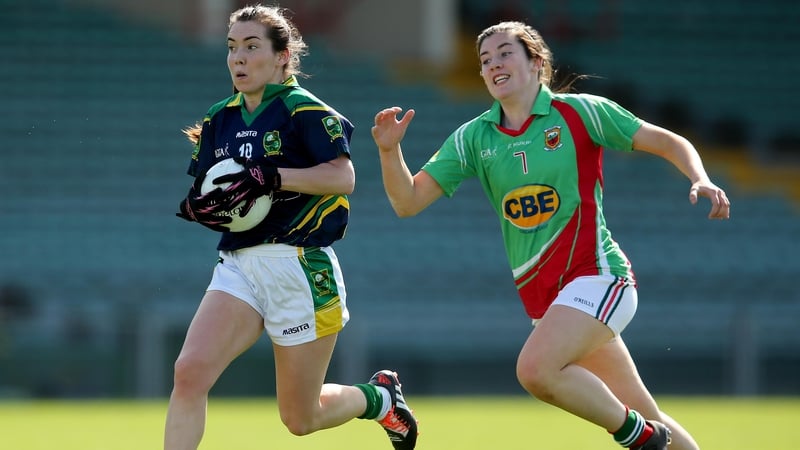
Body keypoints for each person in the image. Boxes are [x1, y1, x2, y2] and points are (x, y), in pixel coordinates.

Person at [372, 21, 730, 450]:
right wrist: (389, 152)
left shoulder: (581, 112)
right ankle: (647, 431)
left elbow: (669, 141)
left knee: (535, 370)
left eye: (505, 53)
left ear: (536, 62)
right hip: (549, 302)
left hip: (599, 278)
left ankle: (636, 436)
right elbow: (406, 202)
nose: (493, 65)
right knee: (650, 414)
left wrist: (701, 178)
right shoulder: (473, 138)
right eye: (485, 60)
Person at [166, 4, 417, 450]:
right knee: (189, 373)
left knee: (301, 419)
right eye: (231, 48)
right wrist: (201, 207)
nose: (238, 59)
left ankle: (379, 399)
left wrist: (271, 176)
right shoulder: (219, 118)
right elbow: (211, 191)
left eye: (251, 46)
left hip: (299, 266)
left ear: (282, 56)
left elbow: (344, 178)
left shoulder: (304, 110)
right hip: (239, 265)